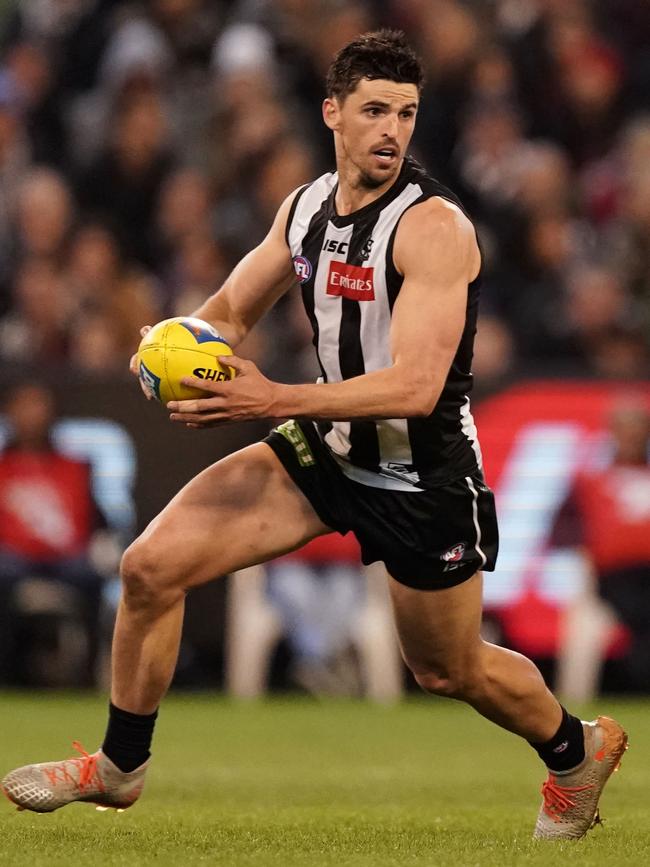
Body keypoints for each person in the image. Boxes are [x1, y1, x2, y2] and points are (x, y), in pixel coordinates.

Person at [2, 31, 627, 840]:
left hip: (421, 476)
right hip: (325, 451)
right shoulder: (302, 209)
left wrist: (271, 396)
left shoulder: (435, 229)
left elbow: (418, 385)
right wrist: (173, 344)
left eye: (405, 113)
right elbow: (226, 314)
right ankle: (120, 771)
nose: (391, 130)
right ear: (332, 111)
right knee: (150, 567)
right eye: (373, 110)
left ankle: (576, 750)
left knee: (448, 668)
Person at [0, 382, 105, 686]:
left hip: (66, 560)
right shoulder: (3, 466)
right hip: (12, 560)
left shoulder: (75, 468)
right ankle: (8, 674)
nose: (31, 415)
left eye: (38, 406)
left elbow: (100, 523)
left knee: (91, 575)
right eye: (24, 406)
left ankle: (87, 676)